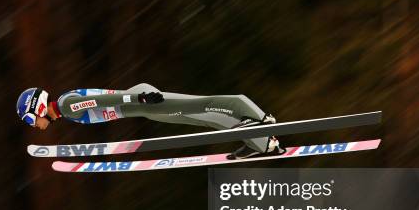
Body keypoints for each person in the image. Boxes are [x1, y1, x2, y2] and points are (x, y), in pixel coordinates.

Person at [16, 84, 283, 159]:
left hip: (141, 102)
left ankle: (259, 119)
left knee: (198, 104)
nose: (33, 125)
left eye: (29, 119)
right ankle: (259, 142)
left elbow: (105, 102)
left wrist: (140, 98)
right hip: (140, 106)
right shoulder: (65, 108)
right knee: (201, 119)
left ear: (37, 108)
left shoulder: (66, 105)